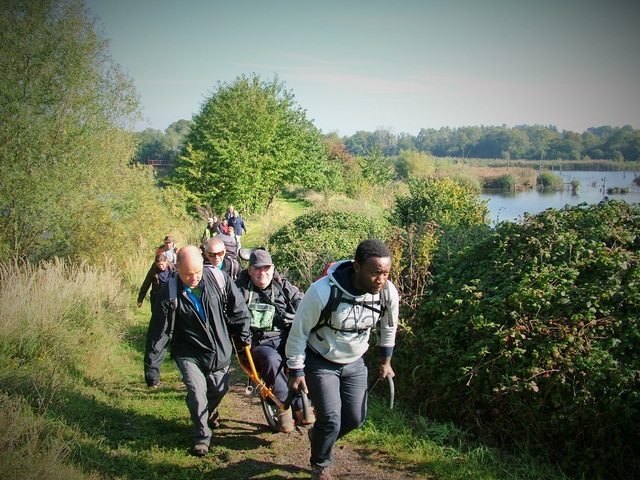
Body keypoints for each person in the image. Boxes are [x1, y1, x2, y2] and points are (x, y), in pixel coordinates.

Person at [285, 239, 399, 480]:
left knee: (355, 419)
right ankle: (320, 464)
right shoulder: (322, 291)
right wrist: (296, 370)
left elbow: (388, 327)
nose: (381, 280)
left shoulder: (387, 292)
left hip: (355, 361)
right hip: (320, 359)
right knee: (331, 419)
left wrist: (385, 361)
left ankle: (319, 437)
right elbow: (299, 332)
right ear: (357, 267)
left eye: (386, 273)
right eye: (375, 273)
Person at [144, 245, 252, 457]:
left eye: (197, 273)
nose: (194, 278)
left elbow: (239, 309)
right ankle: (202, 437)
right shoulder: (169, 292)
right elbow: (158, 333)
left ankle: (206, 413)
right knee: (196, 393)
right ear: (176, 268)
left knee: (218, 391)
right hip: (188, 353)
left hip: (220, 350)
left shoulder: (219, 279)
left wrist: (243, 336)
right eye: (187, 274)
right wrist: (152, 369)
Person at [235, 248, 308, 433]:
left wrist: (297, 315)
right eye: (257, 269)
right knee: (271, 359)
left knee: (305, 353)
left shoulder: (282, 285)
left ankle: (304, 401)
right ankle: (286, 405)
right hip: (257, 343)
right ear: (250, 270)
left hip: (285, 337)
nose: (262, 273)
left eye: (266, 268)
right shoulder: (239, 289)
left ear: (273, 269)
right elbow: (231, 313)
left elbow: (300, 301)